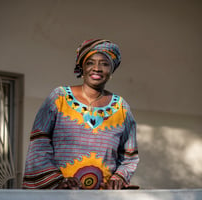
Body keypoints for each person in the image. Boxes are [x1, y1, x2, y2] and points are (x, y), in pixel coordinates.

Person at [22, 39, 139, 190]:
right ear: (82, 67)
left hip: (103, 195)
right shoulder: (59, 98)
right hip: (61, 193)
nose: (97, 68)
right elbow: (39, 144)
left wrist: (118, 178)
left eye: (104, 63)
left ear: (112, 71)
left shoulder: (121, 107)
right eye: (90, 62)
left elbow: (129, 157)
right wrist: (58, 181)